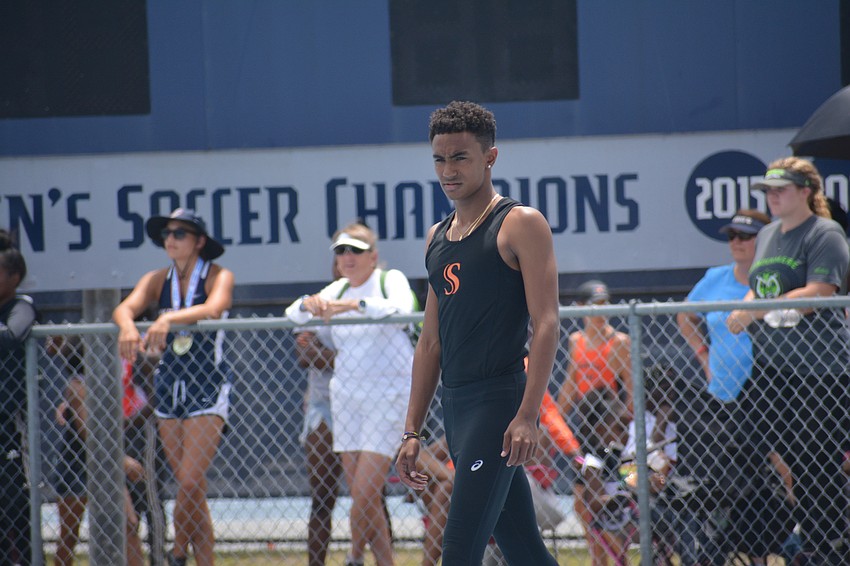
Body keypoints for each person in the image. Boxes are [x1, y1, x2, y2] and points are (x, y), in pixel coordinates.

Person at [394, 100, 560, 565]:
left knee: (459, 550)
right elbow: (430, 342)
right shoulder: (437, 236)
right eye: (439, 159)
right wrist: (412, 431)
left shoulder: (520, 224)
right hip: (456, 407)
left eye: (460, 157)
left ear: (490, 157)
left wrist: (528, 414)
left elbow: (546, 322)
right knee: (523, 549)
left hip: (499, 405)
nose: (448, 170)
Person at [727, 158, 850, 564]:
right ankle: (806, 541)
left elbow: (820, 290)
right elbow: (757, 288)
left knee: (817, 456)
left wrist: (756, 310)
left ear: (806, 192)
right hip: (773, 366)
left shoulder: (825, 232)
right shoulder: (765, 234)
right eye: (767, 190)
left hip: (819, 366)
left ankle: (829, 545)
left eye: (781, 189)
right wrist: (741, 307)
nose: (772, 197)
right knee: (763, 448)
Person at [286, 222, 414, 566]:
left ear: (373, 256)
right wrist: (310, 303)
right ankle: (382, 562)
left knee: (364, 491)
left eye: (355, 250)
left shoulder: (391, 280)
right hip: (346, 400)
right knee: (366, 497)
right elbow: (294, 314)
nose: (347, 257)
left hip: (388, 397)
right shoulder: (336, 288)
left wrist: (346, 307)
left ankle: (354, 556)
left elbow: (402, 312)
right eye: (341, 251)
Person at [113, 208, 235, 566]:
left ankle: (178, 553)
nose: (171, 239)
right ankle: (204, 561)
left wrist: (168, 317)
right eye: (168, 233)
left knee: (189, 480)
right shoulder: (156, 279)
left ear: (199, 242)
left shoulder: (218, 274)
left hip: (207, 383)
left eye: (180, 233)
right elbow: (125, 308)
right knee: (192, 488)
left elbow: (216, 307)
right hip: (168, 386)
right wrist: (127, 327)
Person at [47, 335, 147, 566]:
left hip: (106, 462)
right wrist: (121, 460)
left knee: (128, 524)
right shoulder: (77, 386)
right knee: (70, 534)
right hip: (78, 463)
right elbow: (89, 436)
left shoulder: (108, 383)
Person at [677, 209, 771, 402]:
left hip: (772, 393)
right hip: (723, 393)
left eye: (744, 236)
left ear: (764, 239)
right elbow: (685, 315)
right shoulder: (715, 277)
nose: (736, 242)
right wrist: (703, 357)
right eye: (731, 236)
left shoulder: (777, 279)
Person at [0, 230, 37, 565]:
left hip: (9, 422)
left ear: (14, 277)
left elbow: (13, 334)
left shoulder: (20, 306)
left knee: (14, 503)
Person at [557, 280, 633, 439]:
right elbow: (571, 384)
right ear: (580, 307)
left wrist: (624, 426)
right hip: (585, 421)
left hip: (611, 423)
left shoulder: (619, 342)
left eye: (605, 304)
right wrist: (557, 421)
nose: (601, 311)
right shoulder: (576, 340)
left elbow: (632, 386)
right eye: (595, 304)